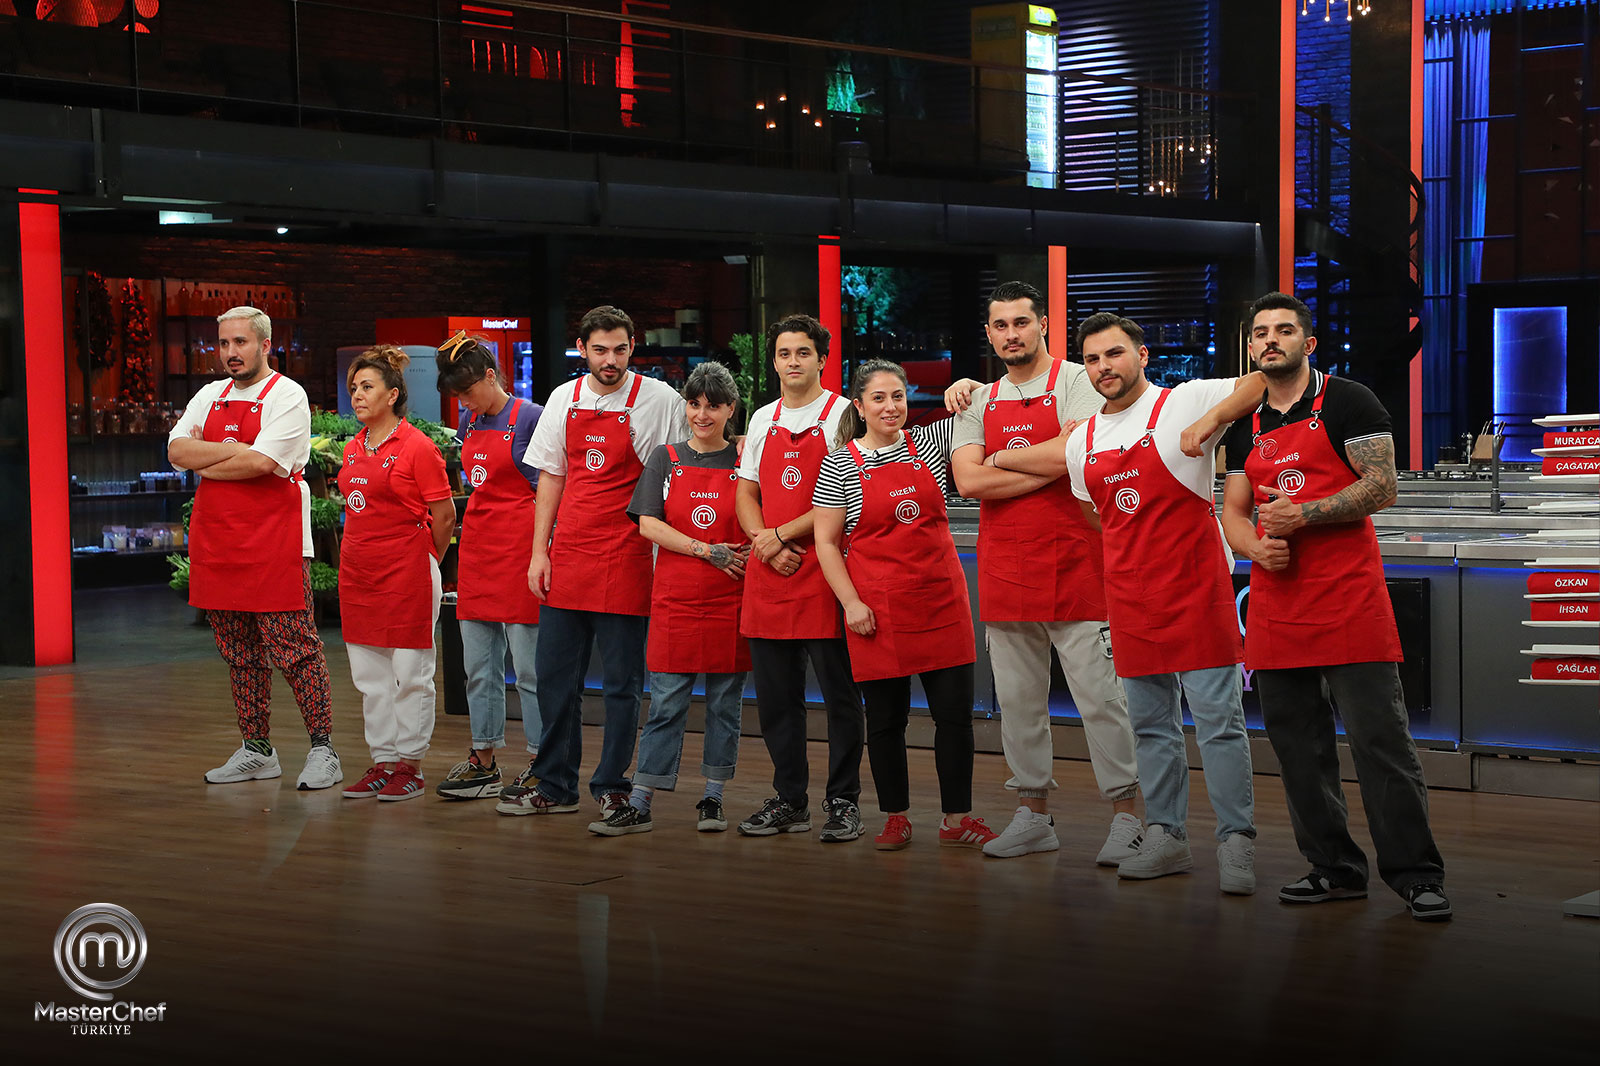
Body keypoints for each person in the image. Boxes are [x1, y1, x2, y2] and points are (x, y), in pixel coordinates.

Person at [992, 312, 1263, 893]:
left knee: (1218, 725)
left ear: (1141, 355)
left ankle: (1236, 842)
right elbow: (1096, 513)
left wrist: (1210, 423)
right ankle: (1166, 836)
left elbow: (1258, 382)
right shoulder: (1083, 439)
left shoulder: (1183, 401)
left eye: (1113, 354)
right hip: (1130, 597)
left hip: (1196, 590)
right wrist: (996, 457)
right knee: (1151, 728)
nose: (1103, 367)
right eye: (1092, 359)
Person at [1203, 291, 1449, 921]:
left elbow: (1383, 486)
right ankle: (1333, 869)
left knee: (1380, 741)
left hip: (1348, 598)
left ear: (1308, 343)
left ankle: (1416, 875)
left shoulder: (1348, 400)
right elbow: (1233, 511)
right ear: (1250, 347)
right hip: (1277, 604)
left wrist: (1305, 514)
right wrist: (1254, 547)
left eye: (1284, 330)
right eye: (1261, 332)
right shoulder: (1245, 423)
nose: (1271, 340)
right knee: (1297, 747)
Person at [944, 280, 1143, 863]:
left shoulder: (1076, 380)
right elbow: (968, 481)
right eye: (1001, 325)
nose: (1012, 334)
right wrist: (1046, 461)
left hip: (1076, 564)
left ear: (1043, 325)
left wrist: (1002, 458)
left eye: (1021, 322)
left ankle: (1128, 817)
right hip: (1005, 568)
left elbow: (1072, 455)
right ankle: (1033, 816)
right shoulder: (976, 400)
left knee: (1102, 700)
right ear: (989, 333)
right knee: (1019, 703)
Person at [498, 306, 686, 817]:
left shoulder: (661, 400)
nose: (611, 360)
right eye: (600, 350)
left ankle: (612, 785)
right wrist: (539, 551)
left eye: (620, 350)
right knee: (555, 678)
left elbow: (678, 475)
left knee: (623, 684)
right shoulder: (564, 398)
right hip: (571, 553)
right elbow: (551, 477)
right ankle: (555, 784)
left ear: (633, 346)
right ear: (582, 349)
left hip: (628, 554)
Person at [812, 360, 997, 851]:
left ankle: (956, 817)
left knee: (954, 717)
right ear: (860, 406)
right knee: (886, 721)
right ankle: (896, 817)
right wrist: (850, 603)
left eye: (898, 396)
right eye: (879, 398)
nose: (891, 407)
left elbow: (991, 404)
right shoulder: (839, 463)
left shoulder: (932, 443)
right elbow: (826, 542)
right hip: (878, 609)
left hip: (941, 601)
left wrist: (968, 385)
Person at [168, 306, 341, 792]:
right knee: (237, 650)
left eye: (240, 342)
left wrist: (208, 460)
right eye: (223, 344)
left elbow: (264, 463)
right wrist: (237, 453)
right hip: (218, 539)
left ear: (265, 345)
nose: (230, 353)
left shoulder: (288, 394)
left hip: (275, 540)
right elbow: (177, 451)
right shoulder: (209, 395)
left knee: (295, 647)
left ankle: (324, 750)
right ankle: (257, 750)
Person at [592, 362, 752, 836]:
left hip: (730, 597)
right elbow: (648, 524)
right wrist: (708, 550)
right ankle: (640, 801)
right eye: (694, 404)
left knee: (725, 705)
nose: (702, 414)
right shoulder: (665, 458)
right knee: (664, 703)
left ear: (730, 409)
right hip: (675, 598)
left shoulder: (746, 461)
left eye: (713, 406)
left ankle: (713, 798)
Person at [734, 315, 867, 841]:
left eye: (803, 352)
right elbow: (746, 492)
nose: (793, 362)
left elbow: (847, 490)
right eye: (784, 353)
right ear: (774, 361)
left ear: (823, 359)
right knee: (776, 702)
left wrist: (779, 535)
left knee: (840, 699)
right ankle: (790, 800)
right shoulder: (762, 417)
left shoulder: (843, 414)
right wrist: (764, 543)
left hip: (827, 574)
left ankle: (843, 801)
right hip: (770, 575)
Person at [335, 346, 456, 802]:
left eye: (367, 387)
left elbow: (444, 516)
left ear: (393, 394)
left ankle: (411, 766)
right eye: (354, 388)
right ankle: (383, 761)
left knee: (411, 673)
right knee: (370, 678)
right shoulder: (351, 448)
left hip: (407, 572)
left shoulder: (418, 447)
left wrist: (427, 560)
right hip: (358, 573)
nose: (357, 395)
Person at [431, 333, 545, 801]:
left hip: (522, 554)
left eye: (467, 391)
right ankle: (483, 759)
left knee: (531, 671)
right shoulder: (469, 420)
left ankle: (542, 761)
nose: (464, 402)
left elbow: (549, 493)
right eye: (457, 395)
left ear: (491, 376)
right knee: (478, 667)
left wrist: (543, 554)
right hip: (478, 551)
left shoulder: (531, 418)